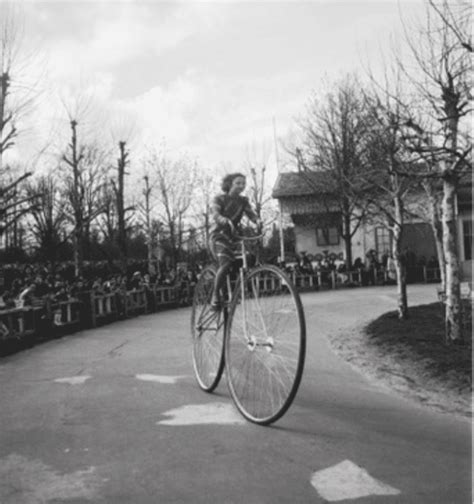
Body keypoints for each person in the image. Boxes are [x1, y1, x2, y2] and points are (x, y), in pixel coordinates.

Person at [209, 173, 261, 309]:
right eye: (238, 183)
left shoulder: (243, 201)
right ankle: (215, 296)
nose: (241, 186)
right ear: (230, 184)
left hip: (234, 236)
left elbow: (251, 213)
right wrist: (223, 220)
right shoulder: (219, 198)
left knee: (249, 260)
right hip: (219, 235)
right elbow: (215, 213)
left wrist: (257, 220)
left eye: (243, 183)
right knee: (226, 264)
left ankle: (236, 292)